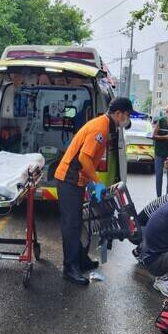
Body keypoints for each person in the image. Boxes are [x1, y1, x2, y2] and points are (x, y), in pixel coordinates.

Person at [55, 97, 133, 285]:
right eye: (127, 115)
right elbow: (84, 158)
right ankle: (70, 267)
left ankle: (80, 259)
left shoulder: (104, 125)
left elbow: (88, 159)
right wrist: (97, 182)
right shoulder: (100, 128)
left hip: (77, 179)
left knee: (81, 221)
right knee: (71, 224)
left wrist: (90, 182)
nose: (127, 119)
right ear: (118, 113)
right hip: (68, 178)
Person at [152, 103, 168, 197]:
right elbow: (154, 136)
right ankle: (158, 197)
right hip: (159, 152)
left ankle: (167, 197)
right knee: (159, 175)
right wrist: (166, 137)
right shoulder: (161, 121)